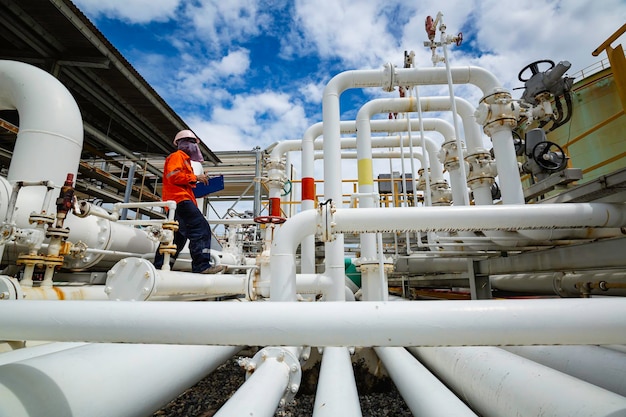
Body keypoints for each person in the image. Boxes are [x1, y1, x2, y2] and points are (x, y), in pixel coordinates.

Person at [154, 129, 226, 274]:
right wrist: (195, 178)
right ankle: (201, 266)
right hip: (179, 200)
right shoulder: (177, 156)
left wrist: (199, 189)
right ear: (182, 144)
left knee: (178, 237)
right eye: (191, 142)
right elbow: (174, 176)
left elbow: (182, 182)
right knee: (201, 228)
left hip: (179, 200)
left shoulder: (185, 162)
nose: (193, 146)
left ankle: (161, 266)